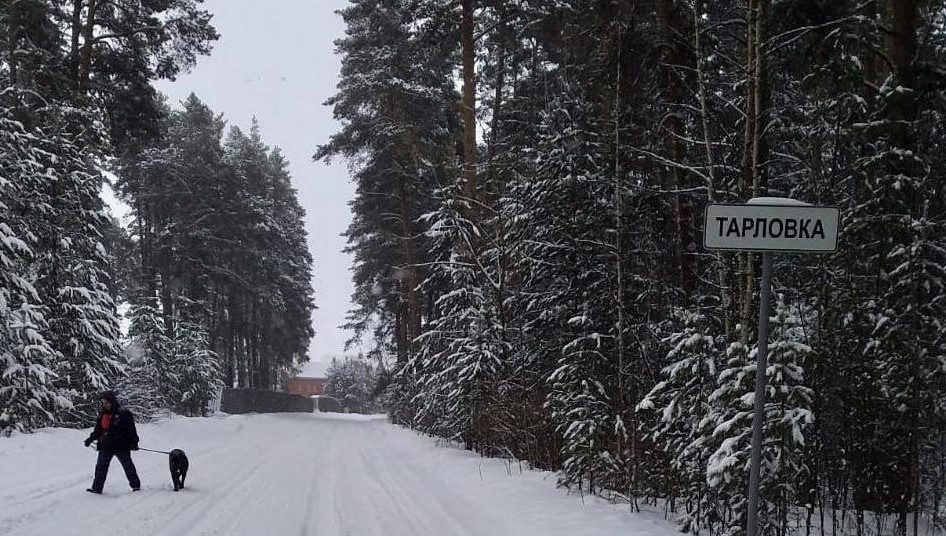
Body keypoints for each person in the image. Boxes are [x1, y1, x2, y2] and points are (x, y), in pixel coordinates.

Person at [84, 390, 141, 494]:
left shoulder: (124, 413)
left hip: (121, 446)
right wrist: (90, 439)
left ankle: (136, 486)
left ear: (112, 401)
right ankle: (97, 488)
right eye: (103, 403)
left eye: (106, 402)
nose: (105, 405)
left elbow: (131, 429)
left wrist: (134, 442)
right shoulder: (102, 414)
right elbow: (98, 430)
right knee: (100, 468)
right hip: (105, 445)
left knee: (128, 466)